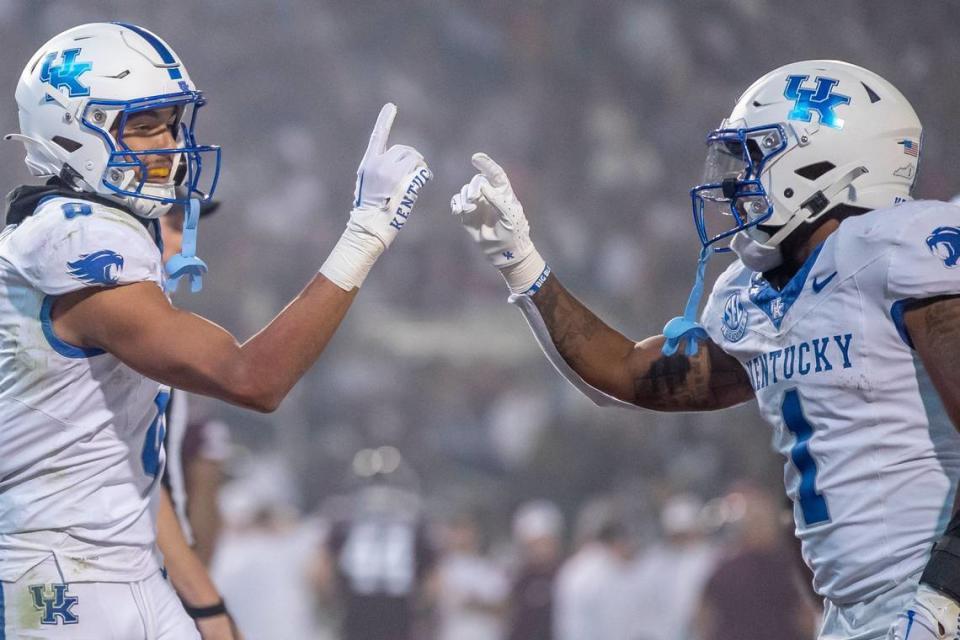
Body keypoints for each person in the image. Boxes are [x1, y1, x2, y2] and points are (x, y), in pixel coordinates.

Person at [450, 60, 960, 639]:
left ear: (827, 159)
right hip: (857, 613)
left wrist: (945, 597)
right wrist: (524, 265)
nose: (735, 182)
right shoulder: (755, 293)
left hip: (933, 601)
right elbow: (625, 375)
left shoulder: (906, 250)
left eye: (755, 156)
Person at [0, 22, 429, 639]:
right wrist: (364, 235)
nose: (171, 145)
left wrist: (202, 601)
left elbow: (126, 464)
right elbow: (253, 379)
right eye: (145, 125)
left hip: (123, 561)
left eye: (174, 123)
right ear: (71, 128)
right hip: (57, 575)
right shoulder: (70, 235)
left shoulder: (103, 230)